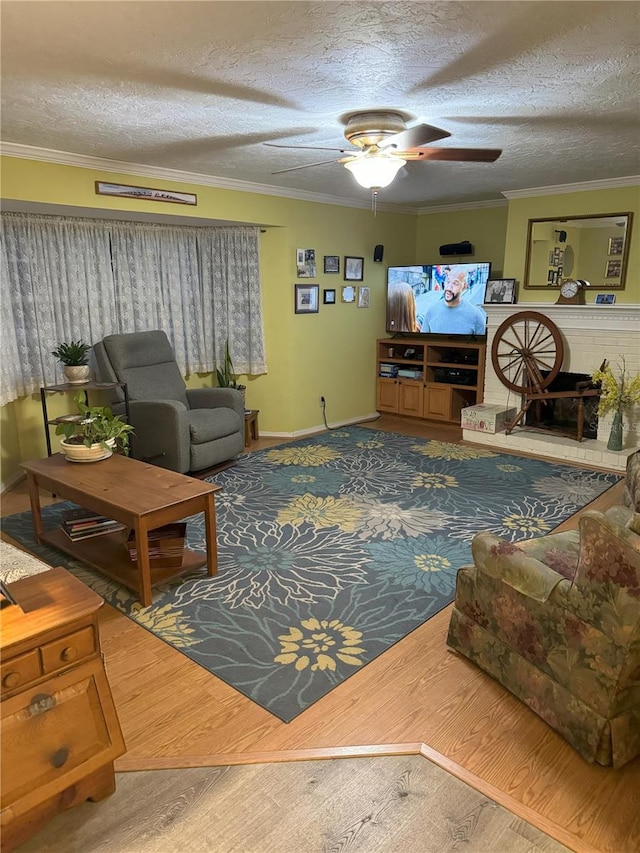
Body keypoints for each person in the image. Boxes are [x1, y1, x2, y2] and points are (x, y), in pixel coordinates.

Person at [420, 266, 486, 335]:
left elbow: (484, 344)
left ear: (464, 286)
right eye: (448, 281)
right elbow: (422, 342)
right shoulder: (432, 311)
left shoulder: (475, 316)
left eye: (455, 283)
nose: (449, 288)